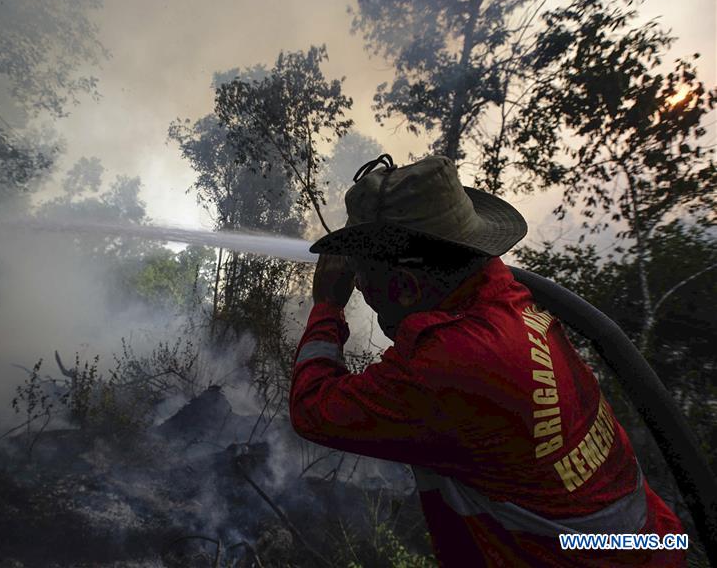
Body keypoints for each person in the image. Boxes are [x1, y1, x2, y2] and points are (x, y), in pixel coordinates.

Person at [289, 154, 686, 566]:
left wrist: (327, 307)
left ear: (407, 288)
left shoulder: (452, 364)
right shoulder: (499, 291)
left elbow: (312, 409)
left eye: (366, 283)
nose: (364, 294)